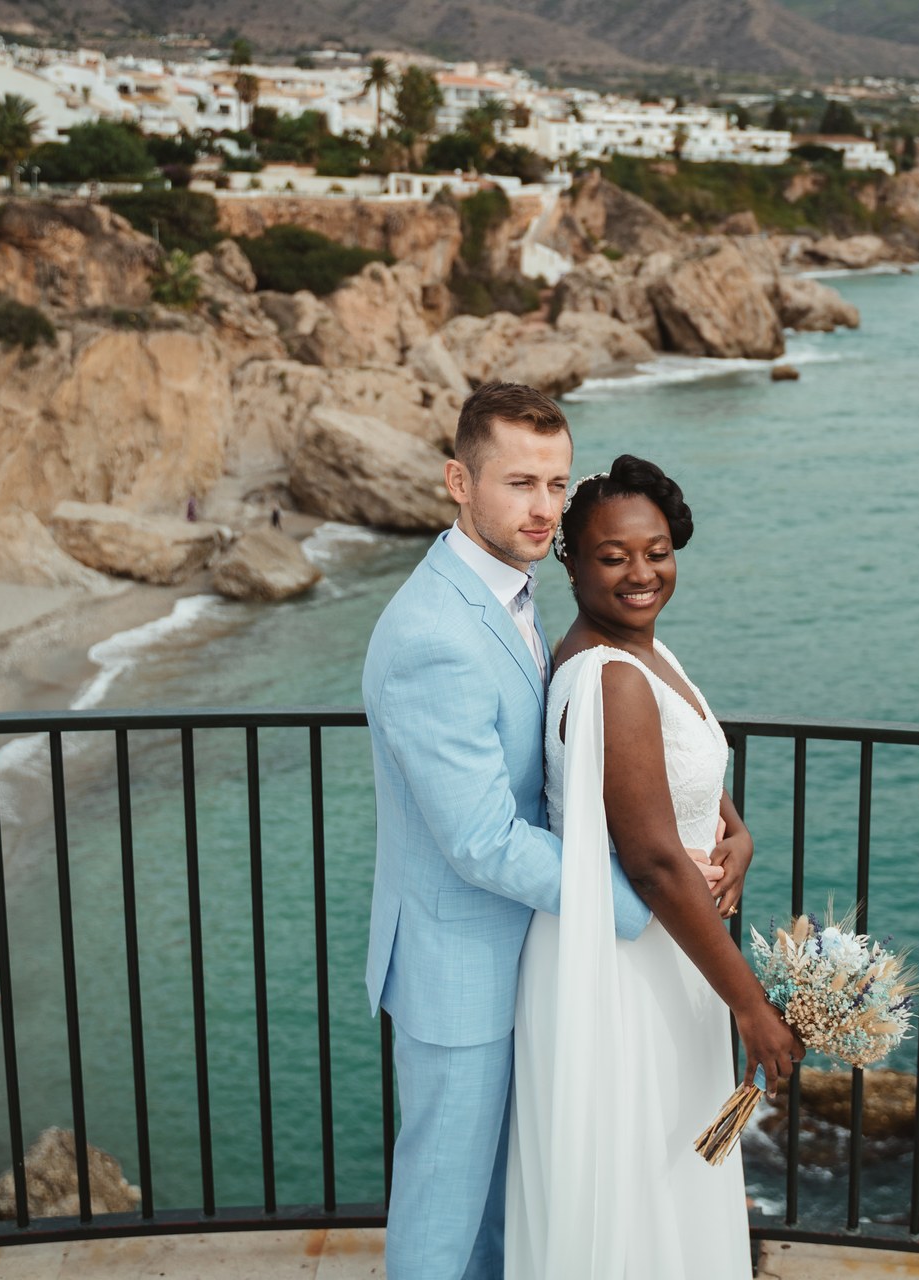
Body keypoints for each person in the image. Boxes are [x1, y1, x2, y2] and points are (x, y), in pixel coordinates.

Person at [362, 383, 734, 1280]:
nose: (543, 508)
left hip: (539, 954)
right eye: (520, 482)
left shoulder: (520, 600)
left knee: (513, 1208)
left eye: (556, 485)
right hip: (464, 968)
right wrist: (644, 897)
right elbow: (484, 838)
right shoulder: (432, 632)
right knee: (447, 1214)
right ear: (460, 480)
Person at [504, 457, 796, 1278]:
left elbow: (691, 783)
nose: (642, 573)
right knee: (637, 1179)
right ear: (570, 560)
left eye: (658, 550)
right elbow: (656, 859)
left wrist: (740, 840)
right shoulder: (611, 676)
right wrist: (751, 1005)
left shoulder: (644, 652)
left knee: (665, 1169)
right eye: (613, 556)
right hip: (627, 970)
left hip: (668, 957)